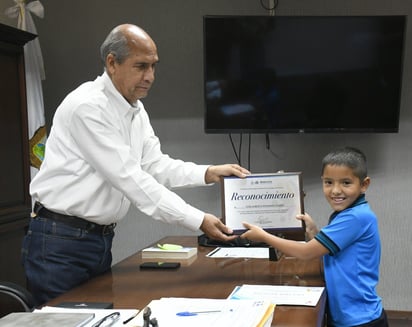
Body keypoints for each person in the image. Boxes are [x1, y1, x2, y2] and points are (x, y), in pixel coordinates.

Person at [22, 23, 250, 306]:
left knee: (98, 319)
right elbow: (131, 180)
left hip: (97, 240)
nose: (150, 76)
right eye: (141, 66)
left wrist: (207, 172)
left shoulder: (134, 107)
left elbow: (154, 164)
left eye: (154, 66)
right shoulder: (88, 106)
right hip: (60, 241)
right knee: (67, 322)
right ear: (112, 63)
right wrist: (198, 220)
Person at [241, 147, 387, 327]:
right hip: (346, 314)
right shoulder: (348, 212)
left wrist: (263, 235)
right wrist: (314, 232)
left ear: (364, 184)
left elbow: (306, 253)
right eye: (328, 182)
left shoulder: (355, 217)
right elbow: (333, 253)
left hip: (359, 319)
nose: (335, 190)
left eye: (346, 183)